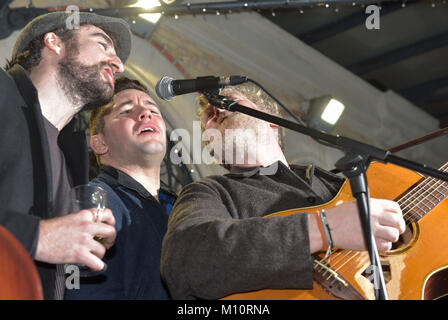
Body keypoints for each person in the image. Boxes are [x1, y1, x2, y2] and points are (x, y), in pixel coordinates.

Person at [160, 83, 406, 299]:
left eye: (229, 102)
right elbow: (188, 260)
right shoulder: (210, 191)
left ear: (270, 119)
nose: (217, 111)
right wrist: (323, 229)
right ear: (213, 148)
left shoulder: (341, 184)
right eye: (209, 116)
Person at [0, 11, 132, 299]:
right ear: (54, 42)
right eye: (102, 44)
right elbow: (39, 239)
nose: (119, 64)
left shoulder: (72, 160)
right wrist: (35, 237)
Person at [64, 77, 176, 299]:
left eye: (153, 109)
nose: (146, 114)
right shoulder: (94, 204)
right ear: (100, 143)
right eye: (126, 111)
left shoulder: (183, 208)